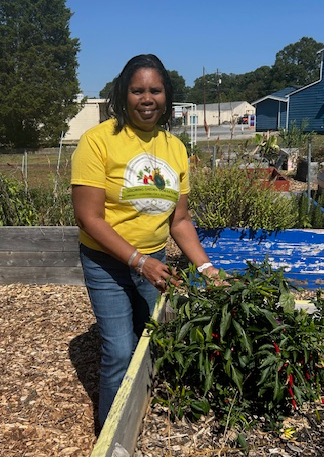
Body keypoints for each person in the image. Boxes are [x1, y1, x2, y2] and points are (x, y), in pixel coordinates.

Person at [71, 54, 219, 427]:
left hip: (154, 259)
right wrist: (138, 262)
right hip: (107, 263)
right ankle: (111, 435)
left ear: (167, 97)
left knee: (153, 336)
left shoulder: (175, 148)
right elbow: (89, 217)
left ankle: (142, 402)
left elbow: (179, 220)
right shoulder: (98, 141)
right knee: (120, 351)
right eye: (138, 91)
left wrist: (207, 268)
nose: (147, 98)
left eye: (155, 90)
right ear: (124, 94)